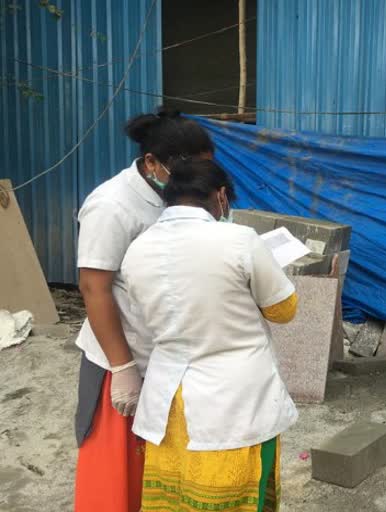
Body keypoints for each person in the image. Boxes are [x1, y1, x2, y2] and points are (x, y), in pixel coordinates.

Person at [121, 158, 298, 512]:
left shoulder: (137, 249)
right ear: (221, 197)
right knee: (237, 495)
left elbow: (142, 319)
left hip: (169, 400)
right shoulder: (239, 240)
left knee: (177, 497)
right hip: (235, 401)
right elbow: (284, 311)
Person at [73, 108, 215, 512]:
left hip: (168, 352)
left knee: (161, 467)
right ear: (152, 163)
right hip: (123, 355)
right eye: (187, 170)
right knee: (118, 475)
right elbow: (94, 287)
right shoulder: (112, 206)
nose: (198, 181)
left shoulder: (180, 194)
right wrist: (122, 369)